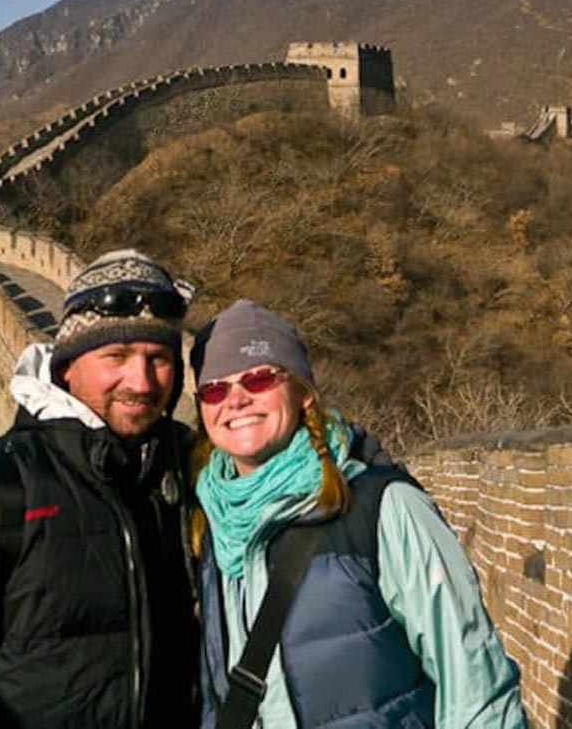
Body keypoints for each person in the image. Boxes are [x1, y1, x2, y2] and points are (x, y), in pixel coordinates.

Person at [0, 249, 200, 729]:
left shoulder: (178, 471)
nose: (142, 381)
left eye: (159, 359)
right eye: (117, 356)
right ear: (67, 368)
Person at [190, 300, 527, 729]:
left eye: (258, 379)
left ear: (303, 392)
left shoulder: (384, 508)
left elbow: (476, 690)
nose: (235, 400)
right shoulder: (213, 523)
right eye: (216, 389)